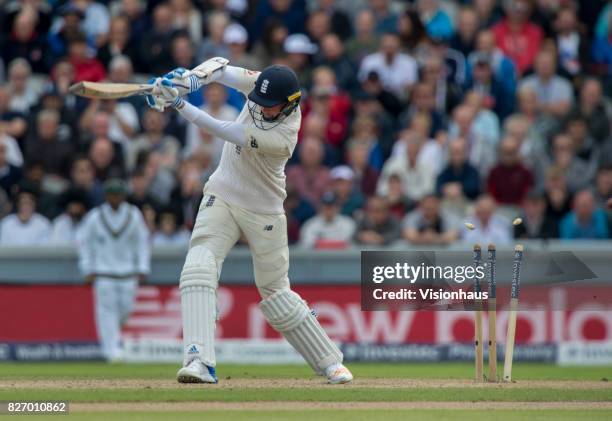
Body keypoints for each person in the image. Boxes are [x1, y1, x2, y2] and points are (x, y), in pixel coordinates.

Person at [145, 59, 353, 384]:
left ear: (289, 106)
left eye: (270, 107)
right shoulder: (262, 85)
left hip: (264, 210)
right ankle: (199, 361)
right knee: (198, 267)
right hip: (222, 195)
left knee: (276, 295)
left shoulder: (284, 136)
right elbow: (219, 68)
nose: (261, 109)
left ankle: (330, 362)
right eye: (259, 102)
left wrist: (179, 102)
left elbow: (223, 130)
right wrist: (188, 79)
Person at [78, 179, 150, 362]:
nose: (115, 198)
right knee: (106, 313)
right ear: (106, 196)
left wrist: (142, 267)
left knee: (126, 310)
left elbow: (142, 242)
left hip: (128, 273)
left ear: (123, 196)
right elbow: (85, 244)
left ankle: (113, 342)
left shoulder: (133, 215)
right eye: (111, 195)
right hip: (104, 274)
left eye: (118, 195)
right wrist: (87, 268)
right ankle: (110, 351)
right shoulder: (95, 216)